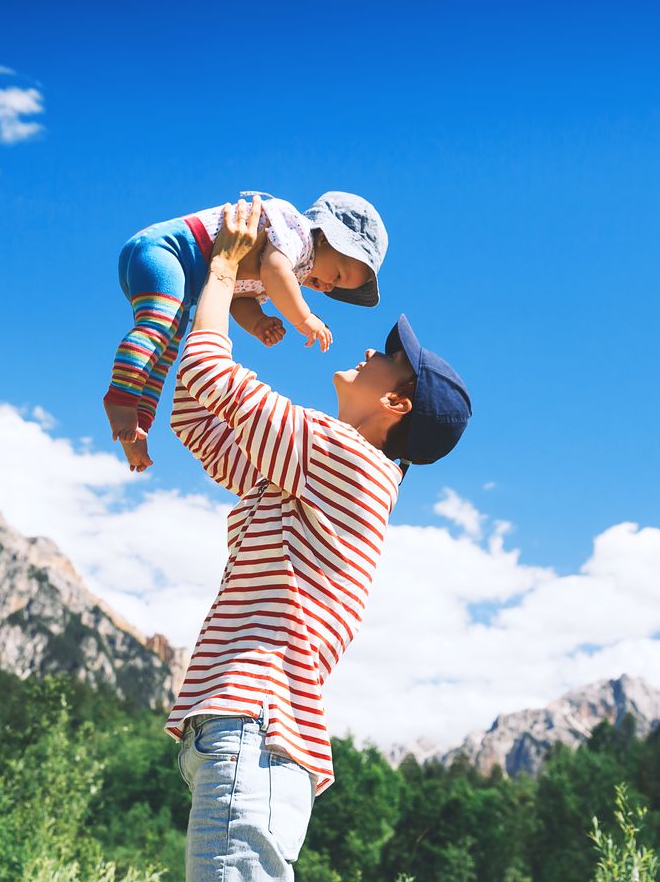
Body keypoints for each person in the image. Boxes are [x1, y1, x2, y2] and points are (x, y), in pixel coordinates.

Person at [166, 198, 473, 880]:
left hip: (256, 728)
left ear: (397, 405)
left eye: (389, 358)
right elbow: (197, 416)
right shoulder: (314, 476)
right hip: (248, 734)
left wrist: (222, 272)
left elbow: (209, 379)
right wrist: (231, 300)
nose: (370, 350)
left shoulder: (343, 459)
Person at [103, 190, 387, 473]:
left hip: (183, 279)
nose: (327, 287)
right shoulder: (295, 231)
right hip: (166, 253)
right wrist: (305, 319)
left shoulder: (288, 269)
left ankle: (139, 422)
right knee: (157, 329)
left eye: (335, 288)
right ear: (325, 237)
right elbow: (275, 272)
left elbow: (237, 298)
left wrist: (257, 323)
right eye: (336, 275)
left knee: (164, 352)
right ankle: (120, 397)